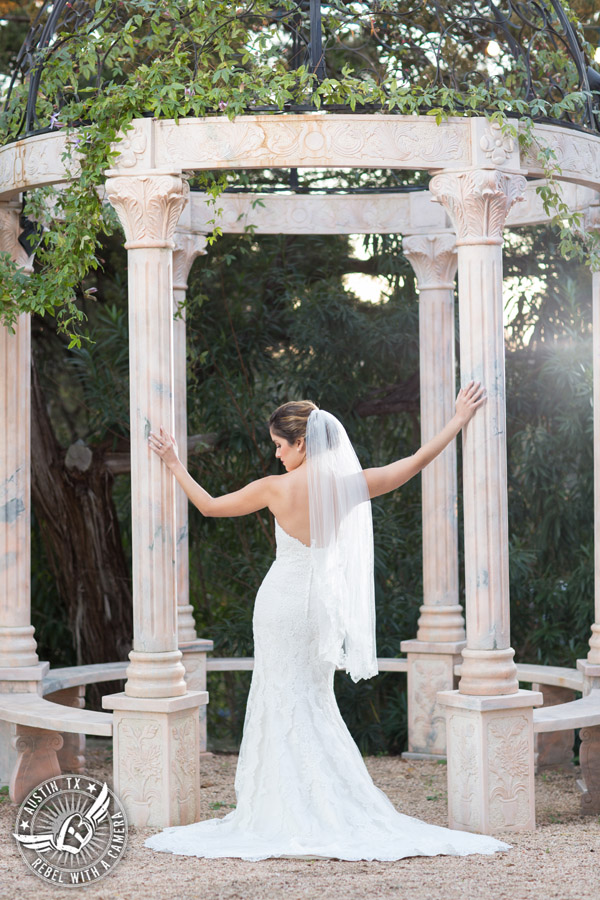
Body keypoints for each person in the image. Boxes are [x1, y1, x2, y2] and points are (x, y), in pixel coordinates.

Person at [144, 381, 511, 861]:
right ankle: (321, 800)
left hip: (279, 603)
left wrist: (173, 461)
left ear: (301, 442)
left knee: (281, 694)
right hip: (319, 608)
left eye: (279, 445)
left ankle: (280, 806)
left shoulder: (275, 489)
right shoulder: (347, 485)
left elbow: (209, 506)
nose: (276, 455)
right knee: (311, 699)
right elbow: (415, 462)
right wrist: (458, 421)